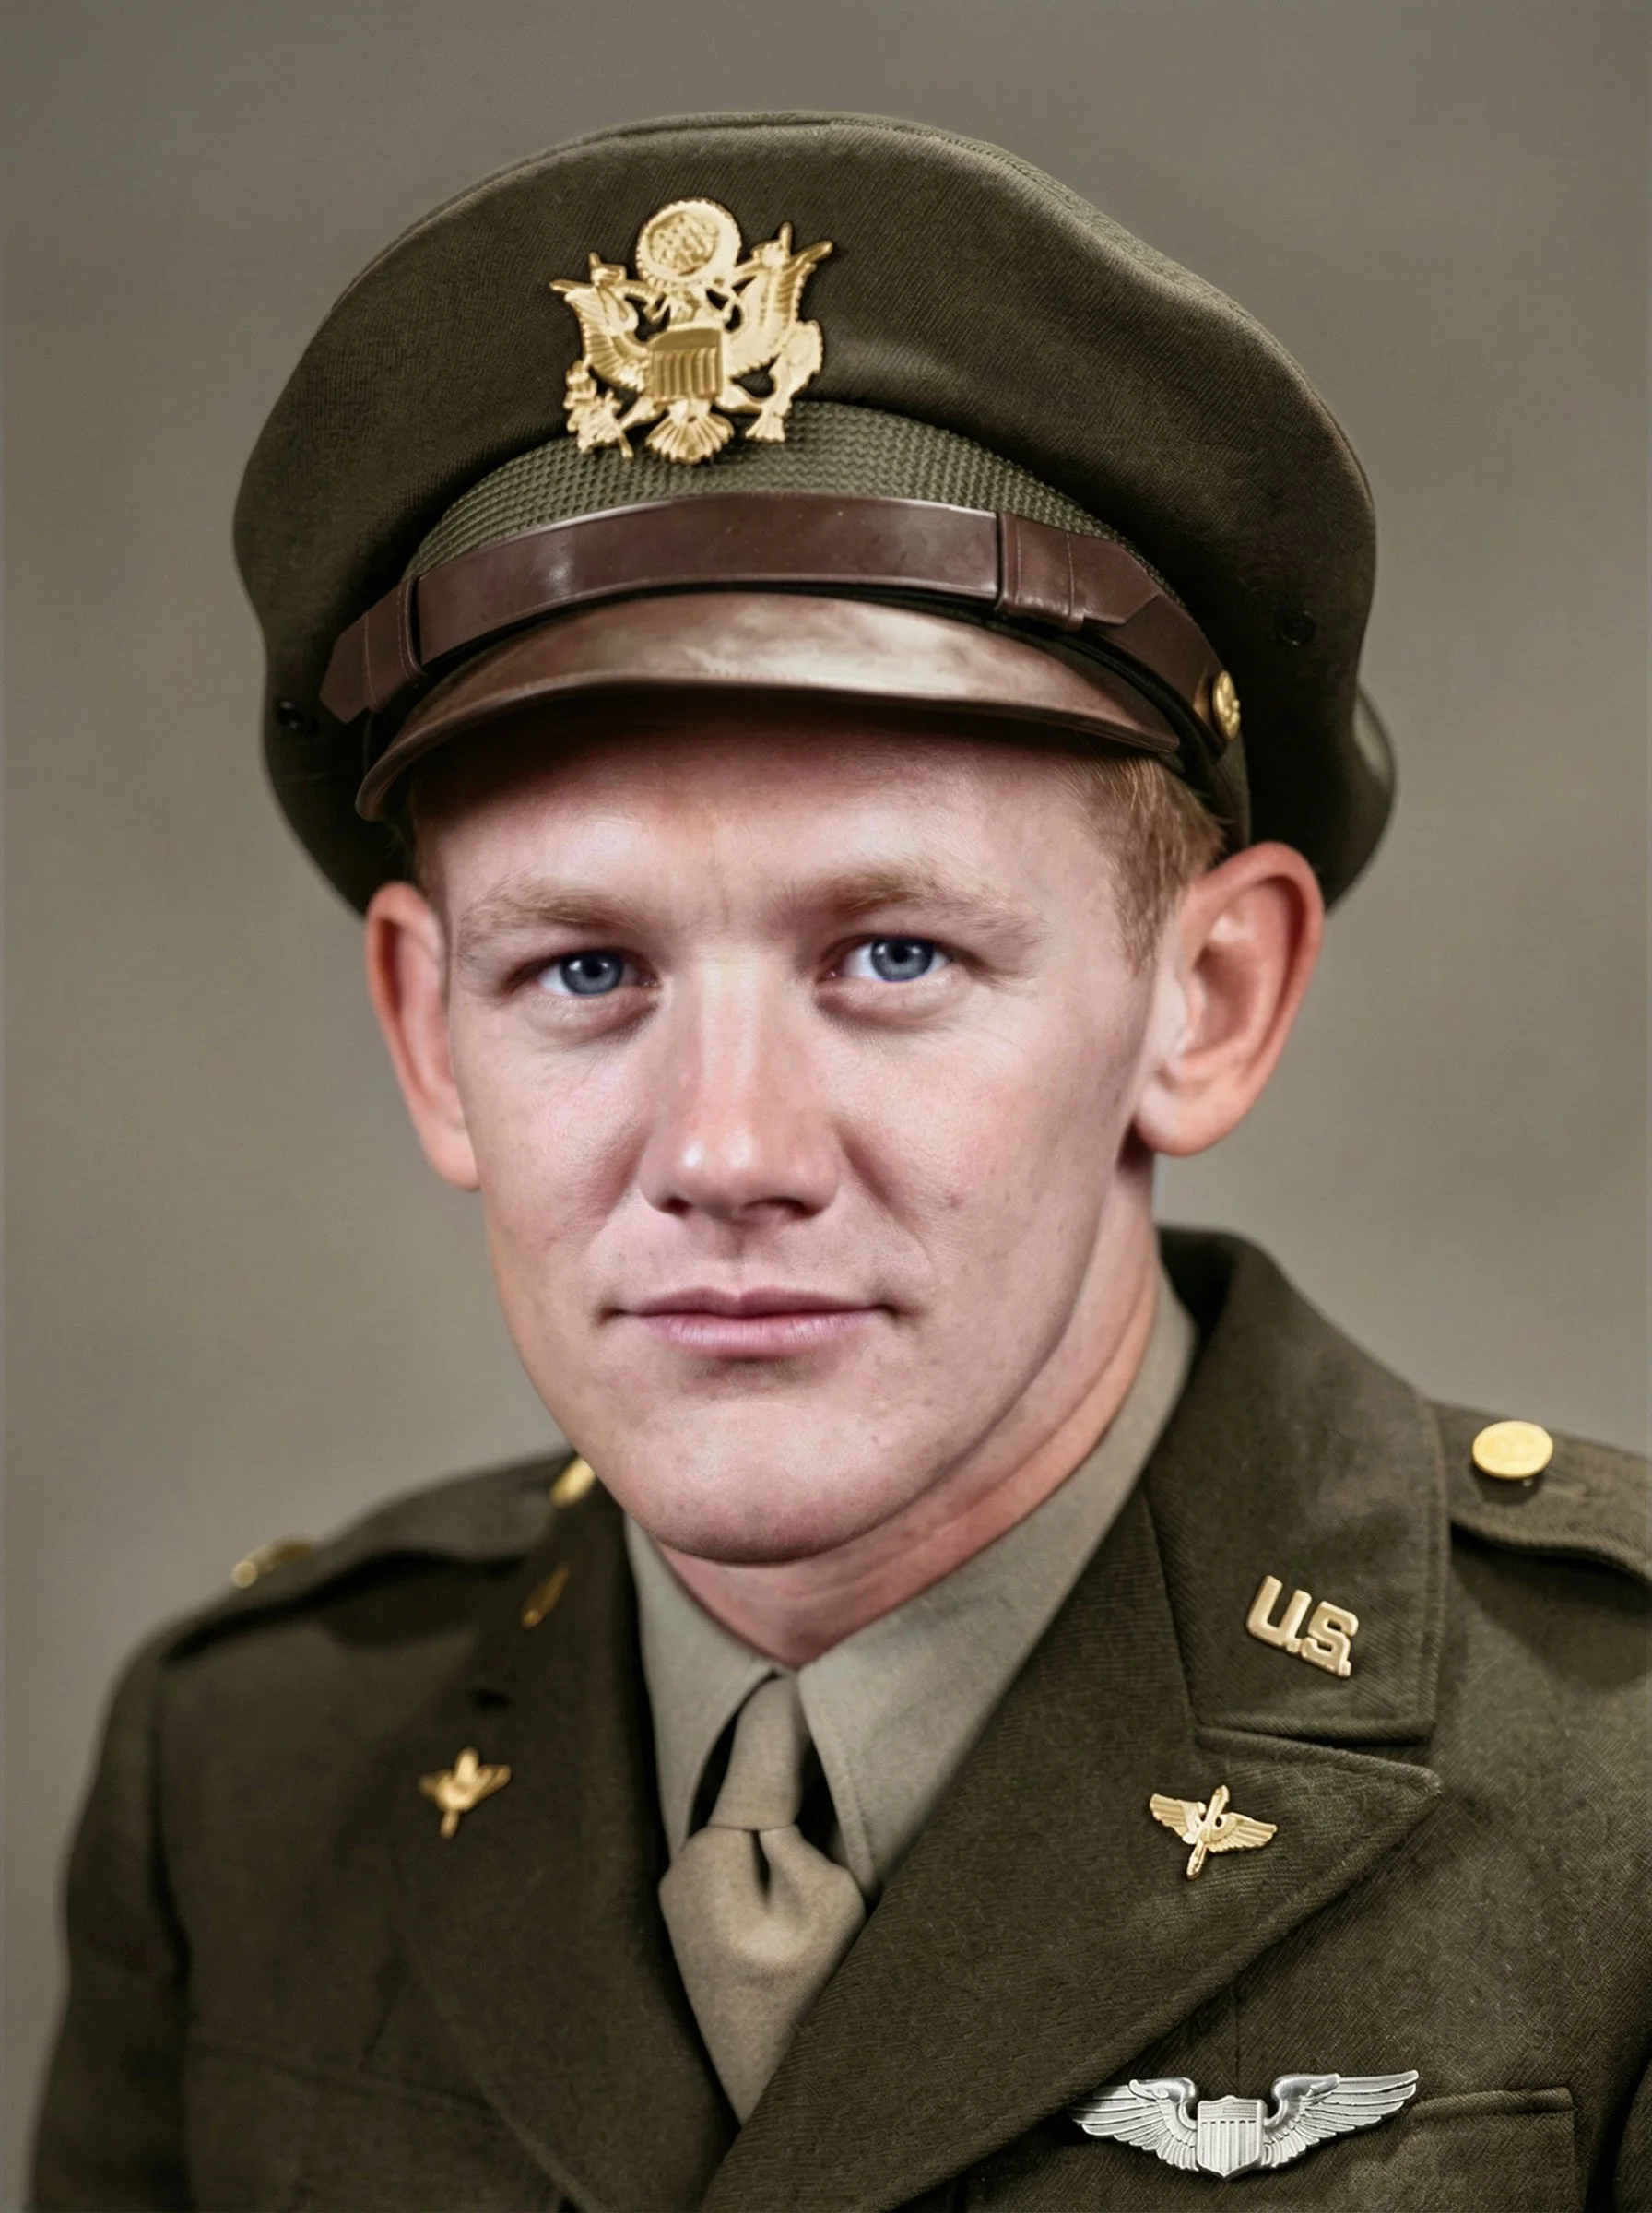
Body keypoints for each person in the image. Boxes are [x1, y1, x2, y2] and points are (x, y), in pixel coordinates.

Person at [32, 112, 1648, 2210]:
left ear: (1211, 997)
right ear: (426, 1032)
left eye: (891, 955)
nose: (723, 1151)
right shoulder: (246, 1787)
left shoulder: (1616, 1789)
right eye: (584, 969)